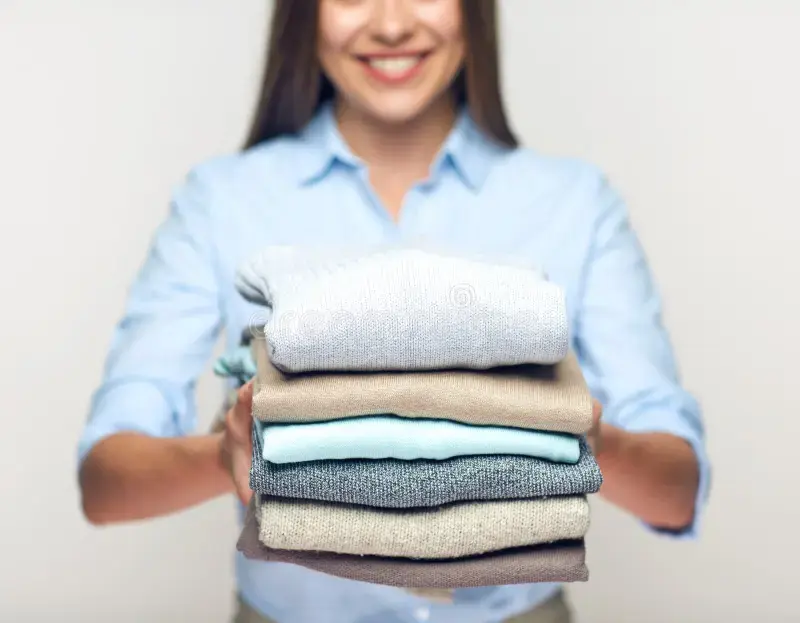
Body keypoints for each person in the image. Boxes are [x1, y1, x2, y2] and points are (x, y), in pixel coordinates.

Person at [77, 1, 710, 622]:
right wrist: (229, 455)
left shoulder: (574, 203)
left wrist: (564, 428)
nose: (390, 22)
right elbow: (104, 483)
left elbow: (678, 493)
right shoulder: (221, 201)